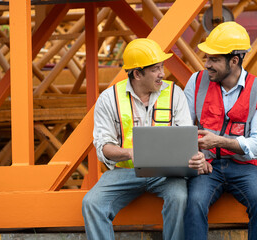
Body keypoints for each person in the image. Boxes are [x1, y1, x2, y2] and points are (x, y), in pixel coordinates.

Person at [82, 38, 206, 240]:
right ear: (137, 74)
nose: (162, 74)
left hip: (167, 174)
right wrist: (129, 153)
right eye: (155, 69)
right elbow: (103, 146)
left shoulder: (175, 94)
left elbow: (186, 139)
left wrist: (195, 156)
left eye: (162, 67)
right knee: (92, 203)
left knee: (180, 198)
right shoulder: (109, 98)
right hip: (125, 172)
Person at [183, 21, 257, 240]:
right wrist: (195, 156)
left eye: (214, 59)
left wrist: (220, 142)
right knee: (193, 203)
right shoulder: (196, 82)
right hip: (207, 166)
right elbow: (181, 127)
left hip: (244, 168)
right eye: (207, 58)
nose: (207, 64)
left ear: (234, 61)